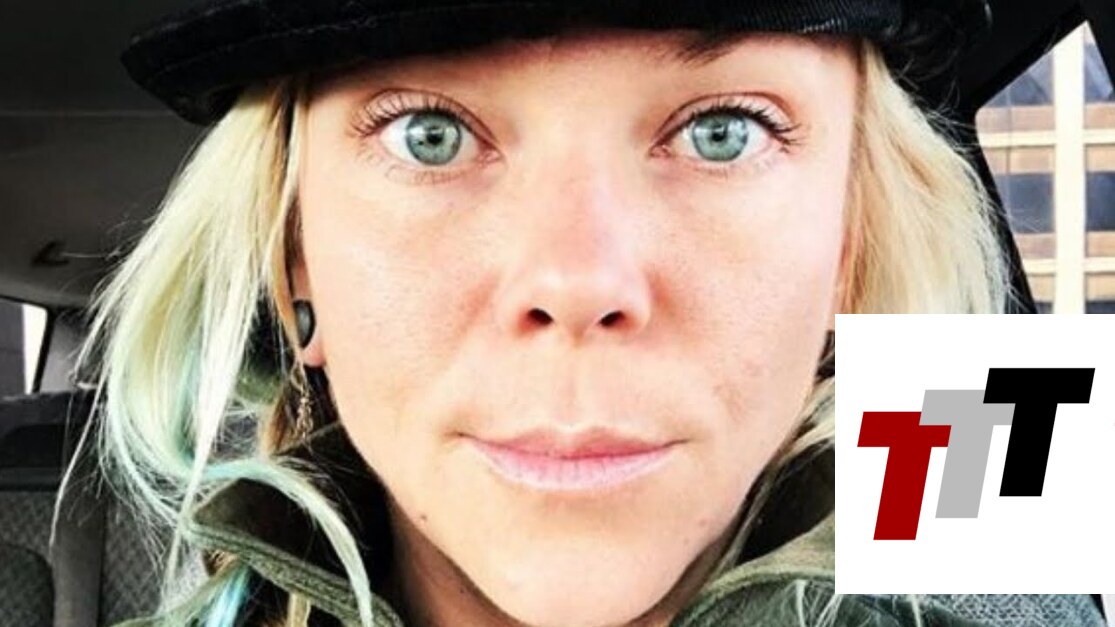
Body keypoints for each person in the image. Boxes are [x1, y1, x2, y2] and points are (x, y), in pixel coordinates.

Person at [72, 1, 1086, 625]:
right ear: (297, 260)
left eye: (723, 133)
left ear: (845, 252)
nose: (576, 281)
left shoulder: (997, 527)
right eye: (428, 134)